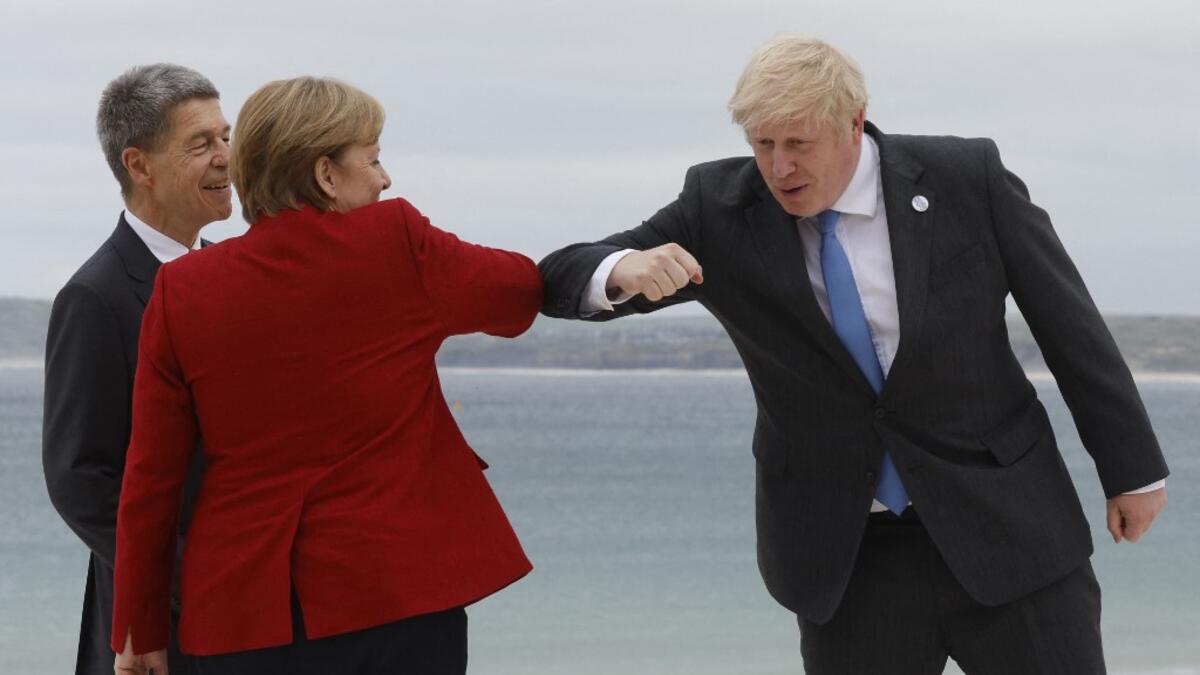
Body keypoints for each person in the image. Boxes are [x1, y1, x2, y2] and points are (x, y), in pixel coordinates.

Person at [538, 35, 1169, 673]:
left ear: (853, 121)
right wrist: (623, 267)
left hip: (1007, 525)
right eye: (763, 143)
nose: (779, 167)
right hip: (846, 559)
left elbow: (1068, 323)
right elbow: (560, 275)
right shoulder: (719, 208)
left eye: (799, 143)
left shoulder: (965, 177)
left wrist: (1132, 471)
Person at [110, 76, 542, 675]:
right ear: (326, 175)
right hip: (395, 599)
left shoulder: (179, 289)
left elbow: (151, 477)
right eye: (373, 159)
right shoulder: (394, 240)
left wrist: (139, 627)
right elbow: (519, 293)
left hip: (244, 616)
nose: (386, 179)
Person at [42, 63, 230, 675]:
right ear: (139, 165)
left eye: (226, 137)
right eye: (201, 143)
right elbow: (79, 478)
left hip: (245, 606)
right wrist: (188, 575)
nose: (226, 157)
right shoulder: (94, 296)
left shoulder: (230, 274)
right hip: (159, 624)